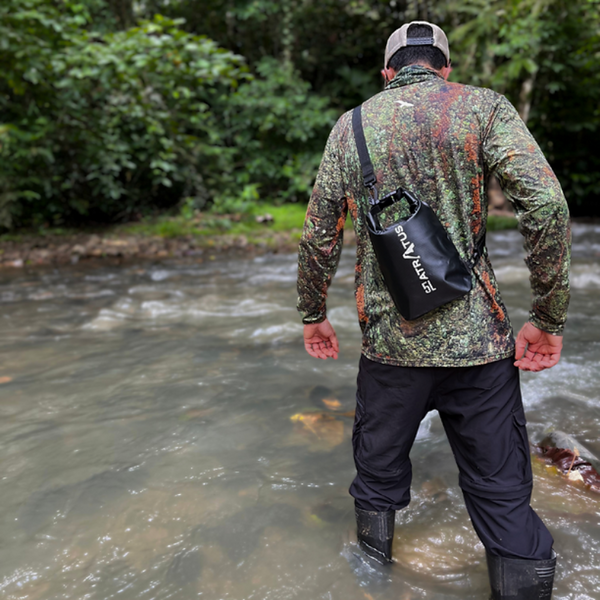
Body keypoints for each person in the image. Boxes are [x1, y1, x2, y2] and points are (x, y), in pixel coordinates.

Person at [296, 20, 571, 600]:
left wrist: (312, 311)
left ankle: (370, 584)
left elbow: (321, 232)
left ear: (388, 73)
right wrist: (547, 318)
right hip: (483, 348)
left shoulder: (352, 126)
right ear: (446, 69)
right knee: (501, 496)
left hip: (390, 352)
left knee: (375, 485)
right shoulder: (484, 109)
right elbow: (547, 204)